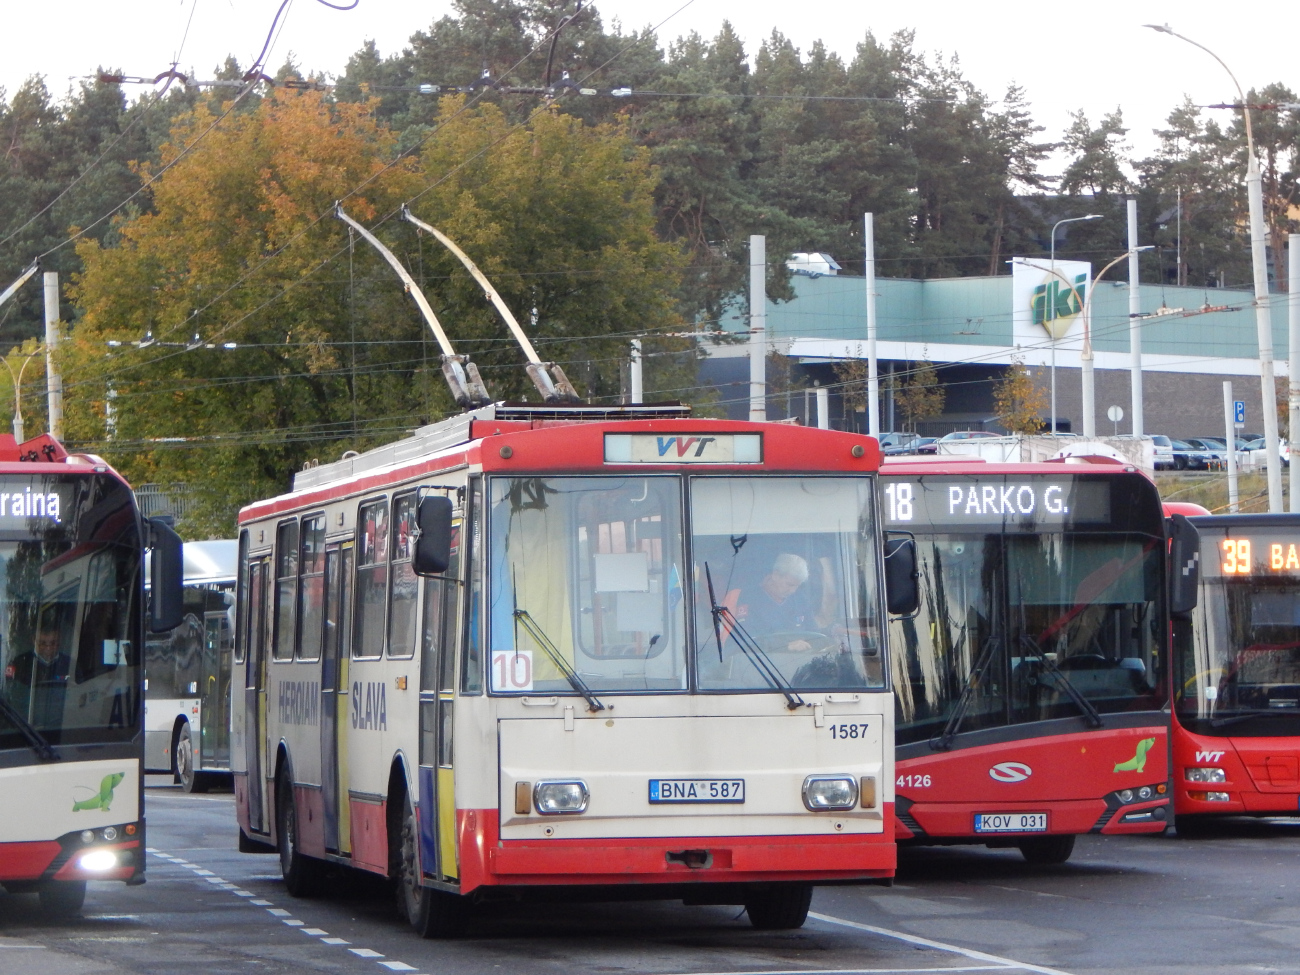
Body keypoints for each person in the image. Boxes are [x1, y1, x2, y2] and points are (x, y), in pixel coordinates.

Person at [735, 553, 834, 652]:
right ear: (776, 575)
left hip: (800, 661)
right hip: (763, 663)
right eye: (789, 584)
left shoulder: (801, 599)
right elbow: (746, 641)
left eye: (797, 586)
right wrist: (784, 647)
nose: (793, 590)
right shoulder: (749, 599)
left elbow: (814, 634)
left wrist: (832, 630)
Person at [3, 624, 71, 727]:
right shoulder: (18, 663)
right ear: (34, 640)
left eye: (53, 643)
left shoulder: (70, 664)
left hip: (62, 726)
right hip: (26, 727)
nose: (48, 648)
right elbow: (10, 694)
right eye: (42, 643)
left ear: (59, 641)